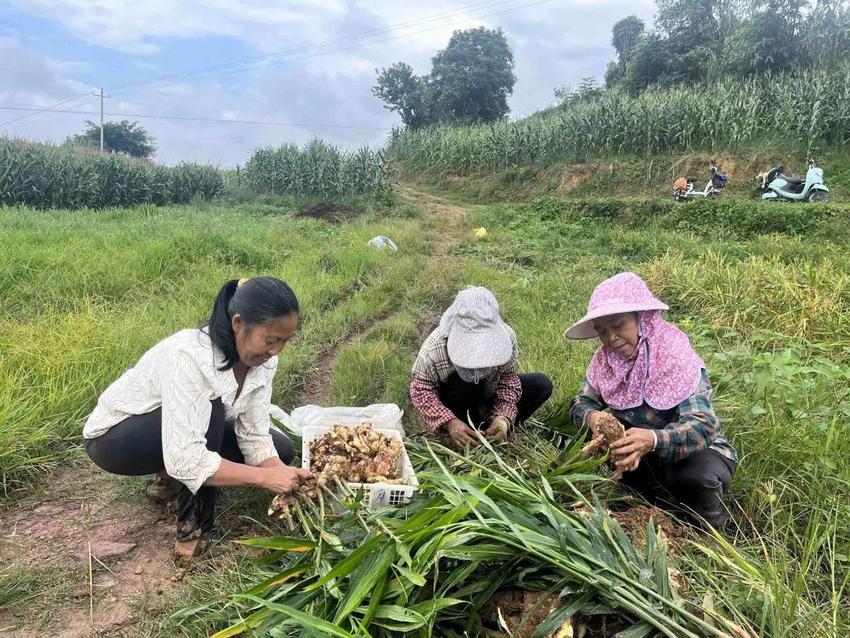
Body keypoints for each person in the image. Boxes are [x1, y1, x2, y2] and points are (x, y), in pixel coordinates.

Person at [83, 277, 312, 555]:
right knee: (211, 412)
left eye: (285, 341)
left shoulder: (264, 361)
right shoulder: (190, 356)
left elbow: (254, 435)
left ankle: (167, 480)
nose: (276, 351)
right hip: (117, 439)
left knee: (282, 449)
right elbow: (188, 459)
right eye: (270, 340)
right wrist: (263, 479)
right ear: (238, 323)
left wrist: (278, 472)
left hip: (177, 430)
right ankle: (190, 533)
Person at [566, 272, 737, 528]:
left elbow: (704, 426)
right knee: (612, 471)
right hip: (642, 451)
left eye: (618, 325)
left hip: (694, 451)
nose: (611, 337)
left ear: (642, 318)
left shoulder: (674, 355)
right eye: (602, 331)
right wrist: (594, 416)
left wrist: (654, 439)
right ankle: (649, 500)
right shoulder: (605, 360)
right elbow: (580, 402)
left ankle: (713, 529)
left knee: (694, 477)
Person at [410, 286, 553, 449]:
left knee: (541, 384)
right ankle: (461, 434)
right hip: (456, 401)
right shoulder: (434, 348)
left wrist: (503, 417)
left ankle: (493, 430)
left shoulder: (507, 338)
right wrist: (449, 422)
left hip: (487, 394)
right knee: (465, 384)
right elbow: (420, 390)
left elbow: (508, 379)